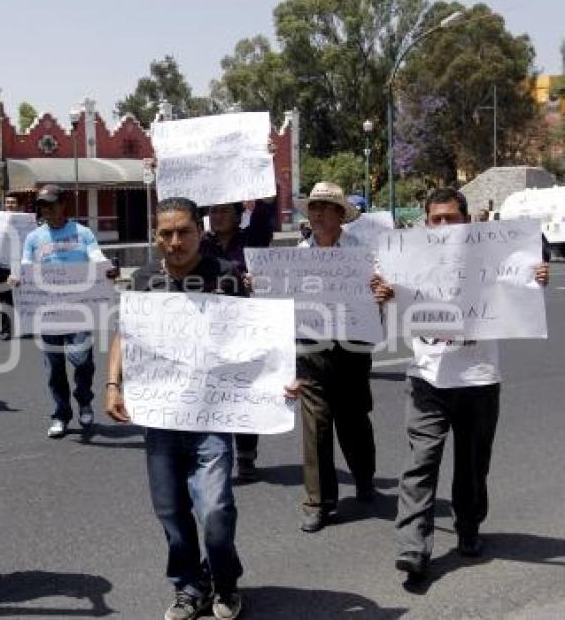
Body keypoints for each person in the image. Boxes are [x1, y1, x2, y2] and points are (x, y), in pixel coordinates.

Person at [106, 197, 294, 620]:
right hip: (161, 416)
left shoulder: (224, 276)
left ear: (199, 232)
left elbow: (257, 338)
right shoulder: (144, 279)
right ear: (156, 237)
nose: (175, 242)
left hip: (212, 417)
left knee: (214, 509)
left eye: (183, 232)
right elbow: (126, 334)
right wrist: (113, 383)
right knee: (171, 510)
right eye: (166, 233)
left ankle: (225, 582)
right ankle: (189, 586)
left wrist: (281, 377)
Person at [379, 188, 550, 578]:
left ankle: (469, 528)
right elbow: (388, 308)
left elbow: (519, 288)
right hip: (426, 379)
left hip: (478, 379)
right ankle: (412, 546)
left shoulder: (492, 255)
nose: (442, 226)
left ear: (467, 221)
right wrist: (384, 294)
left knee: (473, 465)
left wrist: (534, 277)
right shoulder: (406, 260)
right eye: (435, 219)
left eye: (450, 218)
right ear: (426, 223)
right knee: (419, 464)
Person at [294, 181, 377, 533]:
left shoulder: (362, 252)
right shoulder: (298, 253)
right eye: (313, 207)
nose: (316, 213)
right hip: (310, 350)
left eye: (325, 207)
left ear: (340, 215)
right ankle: (318, 502)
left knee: (353, 419)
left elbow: (380, 292)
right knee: (316, 425)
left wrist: (380, 288)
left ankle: (363, 475)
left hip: (352, 349)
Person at [21, 185, 115, 439]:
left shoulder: (82, 233)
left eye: (51, 204)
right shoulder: (33, 238)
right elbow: (26, 266)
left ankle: (84, 399)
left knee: (82, 360)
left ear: (63, 204)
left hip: (79, 309)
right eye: (42, 205)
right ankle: (60, 414)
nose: (46, 209)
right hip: (48, 311)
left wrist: (106, 268)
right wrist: (18, 279)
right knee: (54, 367)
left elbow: (96, 256)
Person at [200, 199, 275, 481]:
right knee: (214, 394)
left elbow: (266, 212)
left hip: (246, 329)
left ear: (238, 214)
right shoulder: (201, 243)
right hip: (209, 330)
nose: (217, 216)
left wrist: (264, 164)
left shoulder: (252, 240)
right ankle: (217, 456)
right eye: (212, 211)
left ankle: (246, 456)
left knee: (244, 392)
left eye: (223, 211)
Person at [0, 194, 21, 340]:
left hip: (17, 266)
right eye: (8, 202)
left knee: (17, 298)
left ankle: (22, 327)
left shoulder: (24, 221)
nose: (10, 204)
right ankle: (6, 330)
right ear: (4, 204)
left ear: (17, 205)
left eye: (13, 202)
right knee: (3, 299)